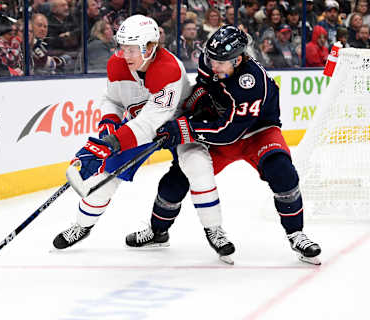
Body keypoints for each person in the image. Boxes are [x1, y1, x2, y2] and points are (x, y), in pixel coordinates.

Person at [126, 25, 322, 265]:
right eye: (211, 59)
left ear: (238, 59)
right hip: (222, 126)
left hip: (256, 132)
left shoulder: (252, 82)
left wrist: (185, 129)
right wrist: (189, 108)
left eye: (221, 62)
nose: (213, 66)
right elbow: (204, 87)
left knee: (282, 172)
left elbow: (228, 132)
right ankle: (158, 231)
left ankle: (296, 234)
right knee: (178, 176)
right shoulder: (211, 62)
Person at [53, 15, 232, 263]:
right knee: (107, 174)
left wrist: (108, 144)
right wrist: (109, 123)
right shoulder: (117, 64)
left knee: (197, 166)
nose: (124, 55)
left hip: (177, 125)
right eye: (122, 47)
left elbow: (149, 124)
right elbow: (113, 100)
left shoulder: (168, 69)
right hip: (139, 125)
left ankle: (214, 229)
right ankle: (82, 226)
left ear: (150, 47)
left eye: (131, 49)